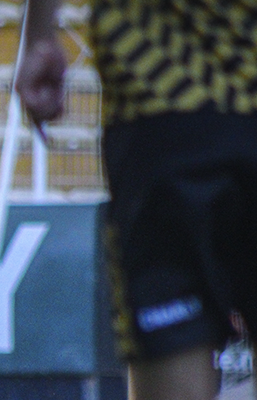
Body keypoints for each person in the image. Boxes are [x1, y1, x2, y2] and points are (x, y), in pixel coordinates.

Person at [18, 1, 257, 399]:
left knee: (172, 357)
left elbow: (41, 45)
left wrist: (39, 37)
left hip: (162, 86)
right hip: (164, 102)